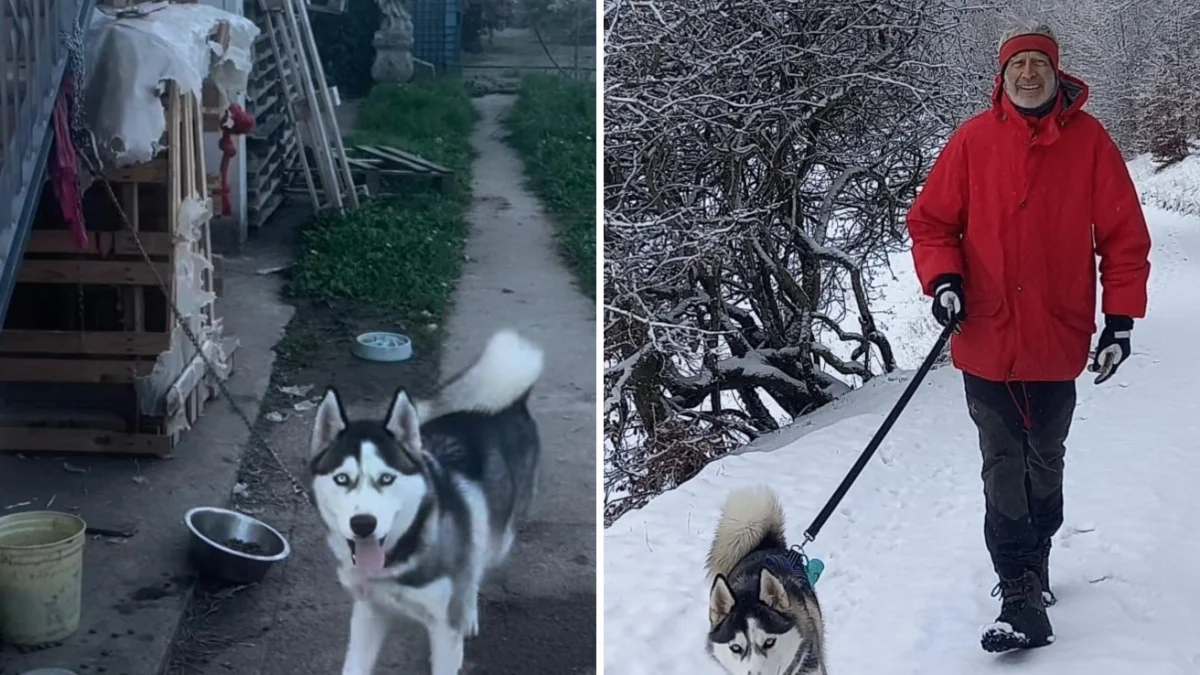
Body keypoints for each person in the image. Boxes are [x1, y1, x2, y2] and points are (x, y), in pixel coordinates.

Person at [905, 21, 1152, 653]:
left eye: (1039, 62)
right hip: (984, 338)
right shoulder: (972, 141)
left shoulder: (1091, 144)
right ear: (1002, 74)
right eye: (1018, 64)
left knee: (1045, 458)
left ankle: (1038, 554)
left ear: (1056, 72)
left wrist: (1119, 321)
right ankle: (1016, 589)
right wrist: (944, 282)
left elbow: (1123, 240)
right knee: (1001, 461)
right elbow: (931, 224)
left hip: (1056, 340)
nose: (1028, 73)